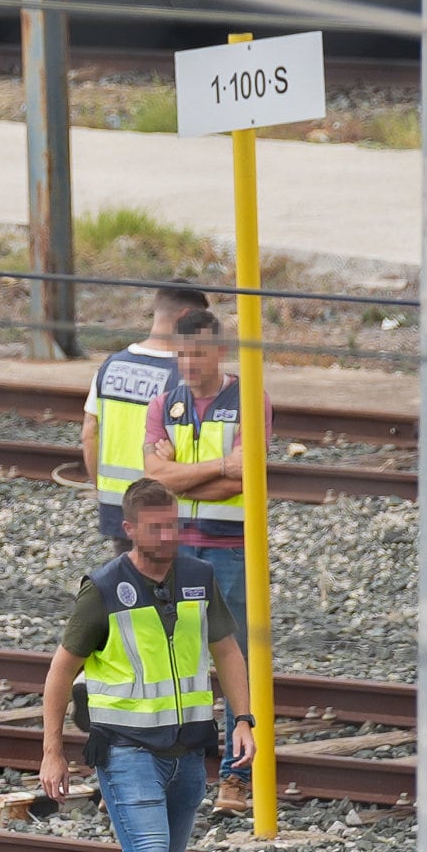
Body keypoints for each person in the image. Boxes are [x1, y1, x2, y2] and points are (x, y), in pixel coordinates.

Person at [37, 479, 254, 852]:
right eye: (156, 526)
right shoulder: (105, 589)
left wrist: (243, 720)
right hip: (127, 750)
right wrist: (52, 751)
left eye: (174, 523)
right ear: (129, 529)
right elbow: (61, 671)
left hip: (189, 752)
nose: (169, 534)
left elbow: (227, 650)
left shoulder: (200, 580)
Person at [143, 308, 271, 816]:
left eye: (196, 353)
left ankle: (236, 778)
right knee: (175, 657)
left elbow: (247, 477)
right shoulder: (163, 403)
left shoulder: (249, 399)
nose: (187, 363)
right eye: (180, 353)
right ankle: (180, 767)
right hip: (176, 550)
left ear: (219, 351)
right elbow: (154, 479)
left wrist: (180, 471)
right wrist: (218, 466)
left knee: (234, 658)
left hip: (232, 549)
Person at [82, 284, 210, 553]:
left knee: (129, 587)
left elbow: (89, 432)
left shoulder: (111, 365)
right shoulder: (186, 378)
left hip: (119, 507)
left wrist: (101, 489)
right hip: (164, 510)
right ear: (183, 317)